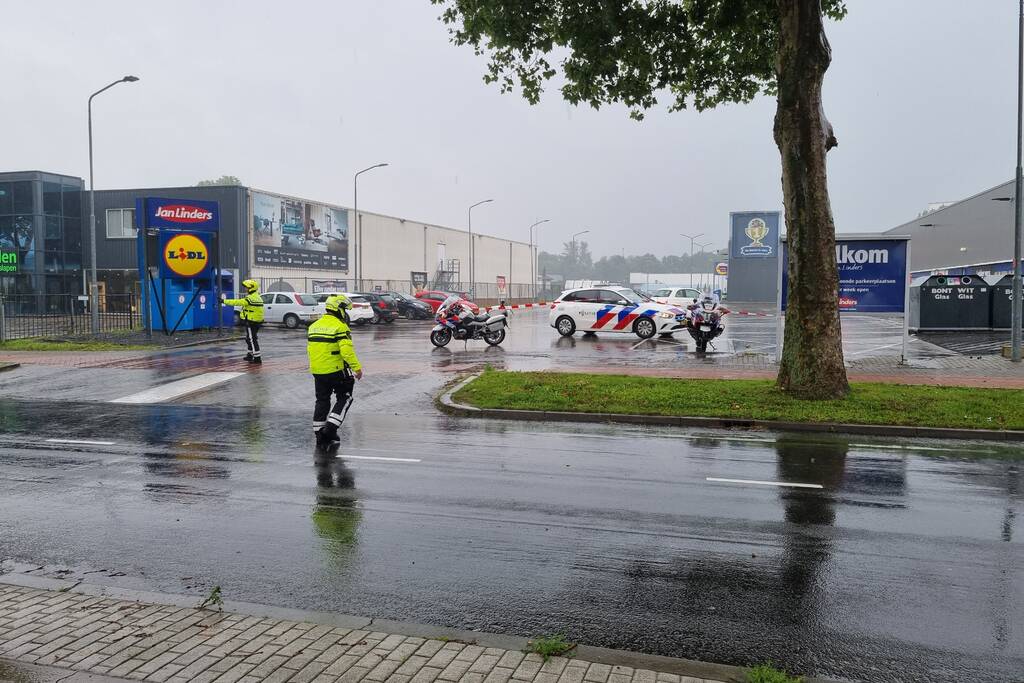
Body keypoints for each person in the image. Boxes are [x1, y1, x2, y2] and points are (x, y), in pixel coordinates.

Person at [307, 294, 363, 448]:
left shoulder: (314, 326)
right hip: (337, 370)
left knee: (322, 400)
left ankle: (319, 435)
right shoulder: (340, 327)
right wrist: (356, 368)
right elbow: (346, 352)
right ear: (338, 309)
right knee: (345, 397)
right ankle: (330, 429)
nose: (345, 313)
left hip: (317, 371)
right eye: (344, 309)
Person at [223, 279, 265, 363]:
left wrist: (224, 301)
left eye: (247, 287)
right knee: (249, 338)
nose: (245, 289)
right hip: (257, 321)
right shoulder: (257, 297)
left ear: (251, 288)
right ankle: (250, 355)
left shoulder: (250, 298)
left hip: (251, 321)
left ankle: (257, 358)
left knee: (252, 339)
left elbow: (238, 302)